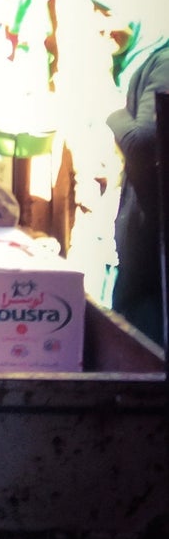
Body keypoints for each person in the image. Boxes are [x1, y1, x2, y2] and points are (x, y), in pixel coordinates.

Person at [105, 18, 169, 345]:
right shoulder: (140, 60)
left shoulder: (163, 62)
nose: (101, 25)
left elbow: (141, 141)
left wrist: (112, 112)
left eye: (106, 13)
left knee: (145, 345)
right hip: (148, 239)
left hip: (152, 241)